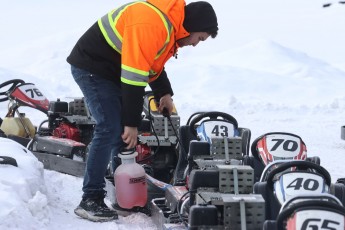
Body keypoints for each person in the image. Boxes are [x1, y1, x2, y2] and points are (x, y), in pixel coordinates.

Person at [67, 0, 218, 222]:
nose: (196, 44)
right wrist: (132, 123)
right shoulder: (154, 24)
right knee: (110, 128)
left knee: (123, 136)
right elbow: (134, 77)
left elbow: (152, 65)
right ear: (193, 26)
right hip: (93, 67)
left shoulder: (169, 29)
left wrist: (164, 93)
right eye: (200, 38)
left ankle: (125, 198)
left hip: (112, 70)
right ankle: (90, 199)